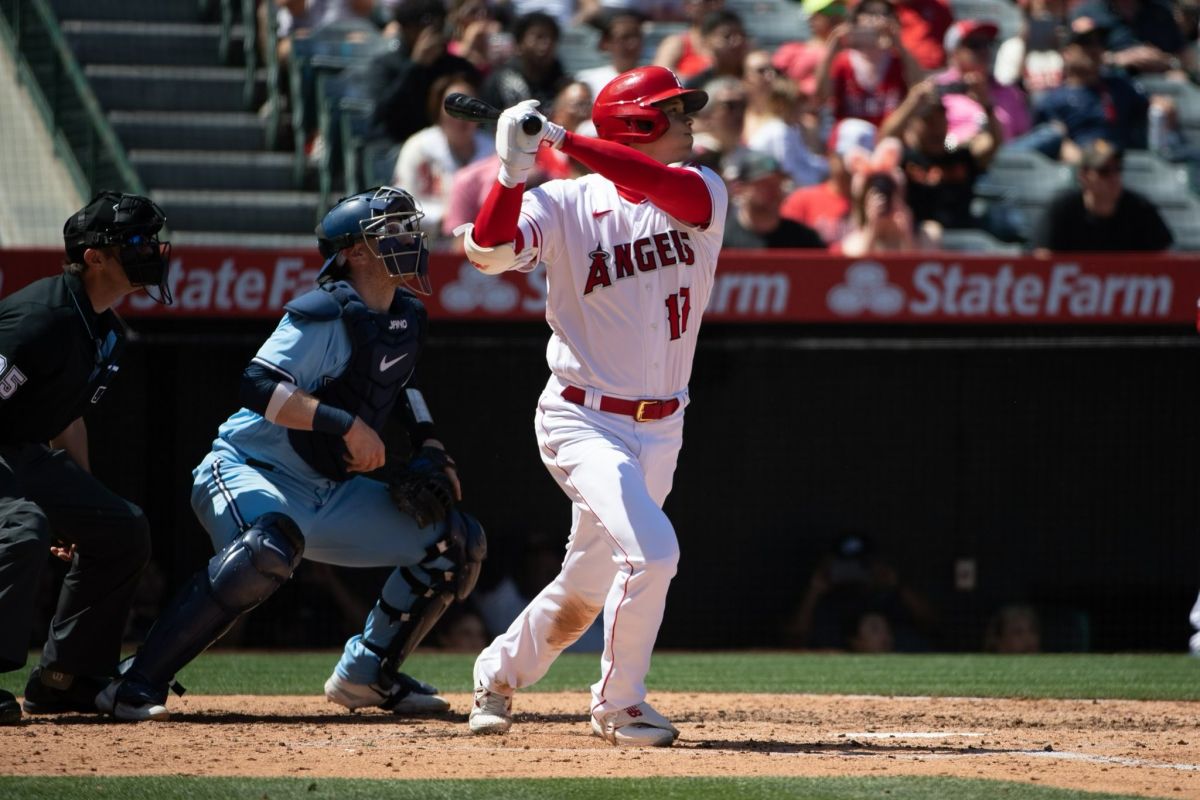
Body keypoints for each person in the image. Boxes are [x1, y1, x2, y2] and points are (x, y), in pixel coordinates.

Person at [96, 186, 486, 721]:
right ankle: (134, 684)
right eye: (389, 231)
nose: (408, 238)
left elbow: (400, 380)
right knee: (265, 550)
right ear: (353, 252)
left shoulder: (405, 316)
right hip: (248, 470)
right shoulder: (323, 314)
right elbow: (257, 384)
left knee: (456, 543)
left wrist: (429, 442)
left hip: (328, 492)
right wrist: (345, 425)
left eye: (407, 227)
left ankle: (367, 675)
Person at [457, 65, 728, 747]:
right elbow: (488, 251)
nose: (689, 121)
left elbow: (659, 186)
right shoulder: (564, 202)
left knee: (586, 584)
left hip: (662, 424)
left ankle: (495, 673)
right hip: (582, 417)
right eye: (672, 112)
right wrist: (513, 175)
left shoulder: (700, 190)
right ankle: (620, 704)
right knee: (655, 553)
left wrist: (561, 136)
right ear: (636, 124)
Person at [0, 192, 170, 725]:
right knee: (20, 531)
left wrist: (83, 508)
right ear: (94, 256)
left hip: (25, 454)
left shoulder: (107, 331)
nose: (151, 252)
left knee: (121, 528)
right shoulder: (38, 317)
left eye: (152, 241)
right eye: (136, 243)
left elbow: (67, 418)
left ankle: (65, 678)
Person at [1014, 16, 1150, 163]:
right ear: (1066, 53)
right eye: (1086, 42)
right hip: (1077, 171)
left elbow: (1149, 111)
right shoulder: (1053, 100)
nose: (1095, 48)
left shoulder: (1121, 87)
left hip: (1121, 166)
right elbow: (1047, 144)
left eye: (1100, 42)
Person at [393, 73, 495, 244]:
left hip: (483, 244)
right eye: (455, 109)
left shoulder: (494, 149)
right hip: (428, 245)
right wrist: (444, 217)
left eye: (471, 109)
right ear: (438, 110)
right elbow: (402, 206)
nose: (463, 117)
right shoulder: (419, 147)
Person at [364, 0, 481, 145]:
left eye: (437, 24)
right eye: (422, 25)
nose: (431, 32)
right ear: (406, 29)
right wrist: (415, 66)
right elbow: (383, 115)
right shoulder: (385, 65)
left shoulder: (458, 67)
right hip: (399, 142)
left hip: (453, 144)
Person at [1031, 138, 1173, 254]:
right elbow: (1044, 261)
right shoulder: (1062, 209)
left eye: (1117, 169)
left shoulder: (1140, 209)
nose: (1114, 177)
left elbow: (1164, 262)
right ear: (1084, 176)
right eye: (1104, 171)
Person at [815, 0, 922, 128]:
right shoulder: (843, 61)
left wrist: (899, 44)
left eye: (883, 15)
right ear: (855, 24)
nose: (874, 23)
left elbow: (919, 88)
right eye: (869, 15)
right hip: (850, 139)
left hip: (891, 136)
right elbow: (821, 96)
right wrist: (832, 48)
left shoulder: (899, 61)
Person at [782, 117, 877, 245]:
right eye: (847, 159)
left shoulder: (878, 203)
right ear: (830, 155)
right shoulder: (803, 200)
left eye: (863, 160)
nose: (853, 168)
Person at [936, 21, 1030, 145]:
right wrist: (961, 142)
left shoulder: (1009, 92)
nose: (983, 50)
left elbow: (1024, 137)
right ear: (954, 52)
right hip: (956, 157)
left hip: (1007, 160)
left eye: (987, 44)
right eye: (975, 45)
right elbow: (934, 143)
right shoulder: (938, 89)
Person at [721, 151, 825, 248]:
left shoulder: (806, 240)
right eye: (763, 184)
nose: (773, 190)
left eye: (777, 183)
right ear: (740, 189)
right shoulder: (721, 239)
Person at [480, 12, 567, 113]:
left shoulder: (562, 83)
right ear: (519, 43)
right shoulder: (500, 81)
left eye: (552, 37)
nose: (546, 43)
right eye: (539, 37)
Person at [576, 8, 647, 100]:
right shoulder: (587, 81)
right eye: (625, 37)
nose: (633, 44)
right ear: (606, 43)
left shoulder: (653, 80)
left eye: (637, 36)